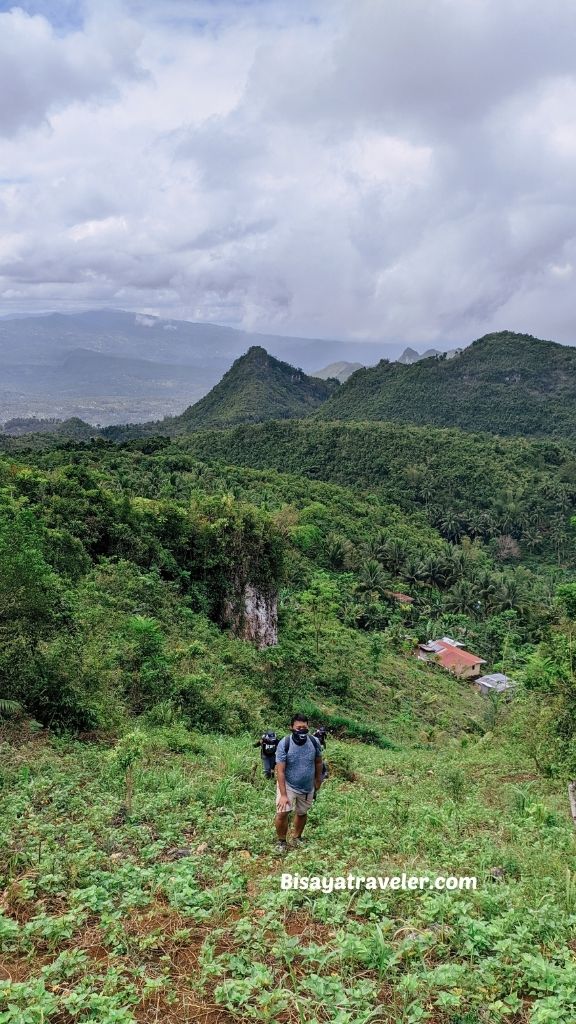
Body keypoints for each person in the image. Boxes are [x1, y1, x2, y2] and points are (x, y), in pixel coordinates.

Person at [274, 713, 323, 853]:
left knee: (302, 813)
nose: (301, 729)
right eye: (298, 727)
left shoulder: (314, 742)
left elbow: (319, 762)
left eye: (304, 727)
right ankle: (281, 841)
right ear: (291, 727)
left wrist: (318, 780)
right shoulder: (285, 743)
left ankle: (297, 837)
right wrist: (283, 794)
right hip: (288, 785)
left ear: (308, 726)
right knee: (282, 813)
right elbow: (280, 771)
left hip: (307, 786)